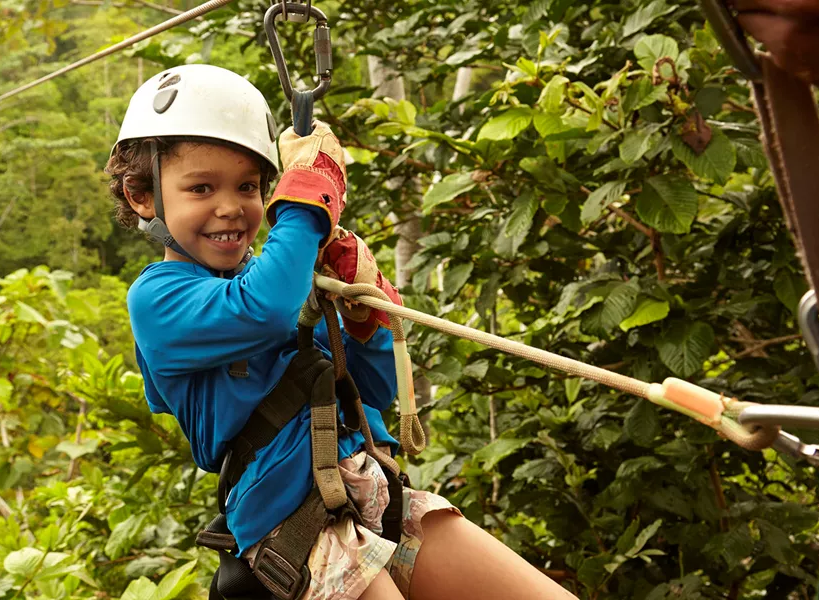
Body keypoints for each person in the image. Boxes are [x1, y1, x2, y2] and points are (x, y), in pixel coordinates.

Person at [105, 63, 576, 600]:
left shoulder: (277, 281)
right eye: (201, 187)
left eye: (248, 186)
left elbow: (371, 391)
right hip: (290, 526)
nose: (231, 207)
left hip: (371, 493)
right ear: (143, 197)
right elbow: (263, 309)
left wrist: (362, 318)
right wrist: (308, 200)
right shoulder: (159, 299)